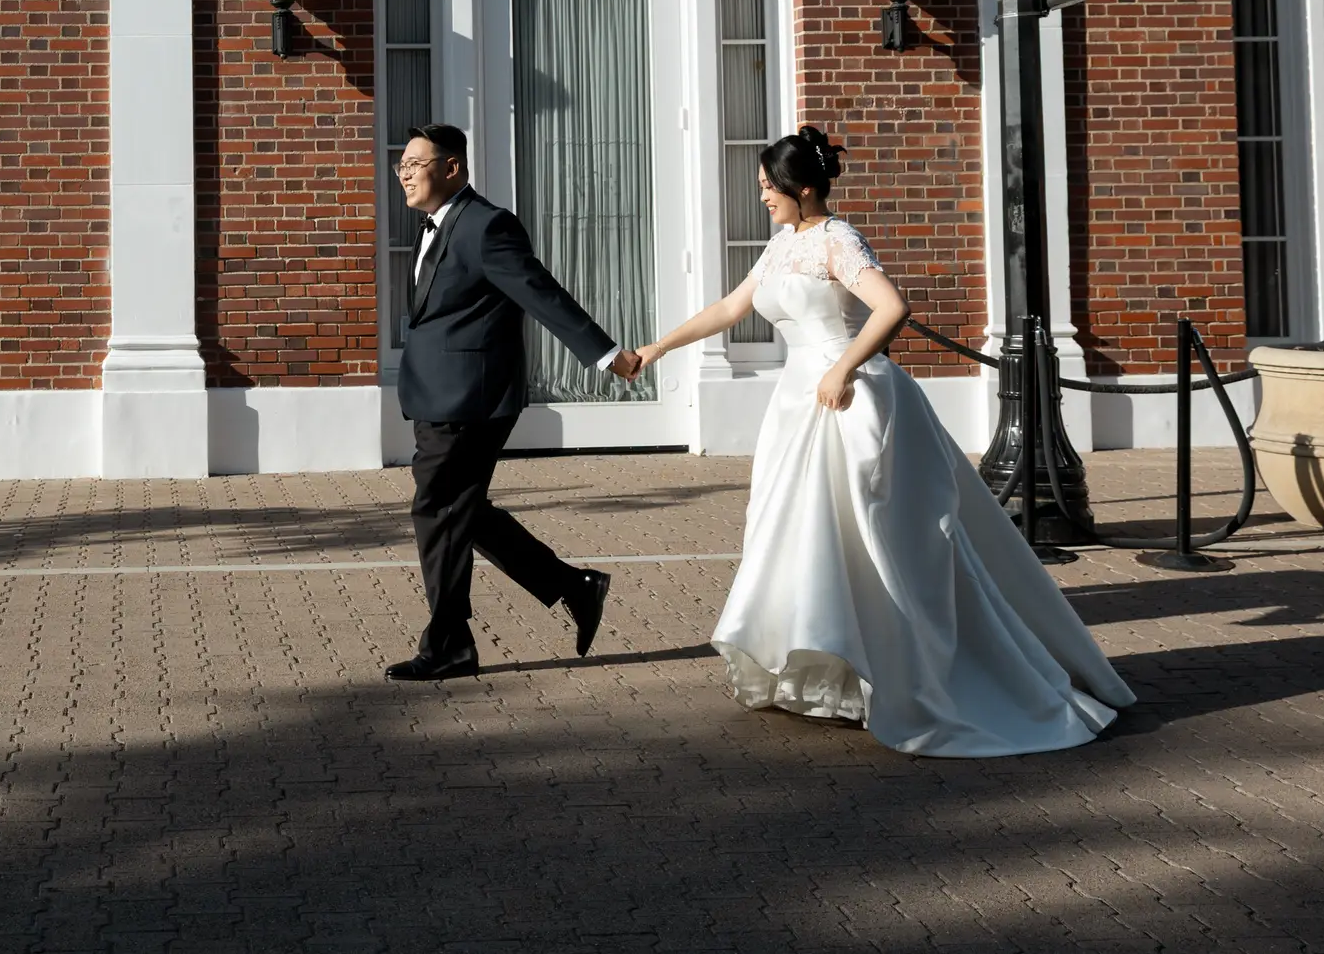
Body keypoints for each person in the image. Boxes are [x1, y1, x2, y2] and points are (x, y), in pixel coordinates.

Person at [629, 126, 1135, 756]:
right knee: (798, 535)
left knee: (875, 542)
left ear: (803, 187)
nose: (763, 196)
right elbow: (731, 309)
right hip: (797, 404)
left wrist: (841, 369)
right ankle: (828, 671)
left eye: (769, 187)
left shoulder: (838, 240)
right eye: (761, 187)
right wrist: (654, 350)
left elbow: (892, 306)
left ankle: (909, 674)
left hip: (851, 400)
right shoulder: (783, 245)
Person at [387, 123, 644, 682]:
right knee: (460, 512)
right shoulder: (431, 227)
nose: (403, 172)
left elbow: (542, 293)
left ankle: (450, 643)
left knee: (439, 511)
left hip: (470, 400)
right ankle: (572, 586)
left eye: (415, 162)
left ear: (452, 167)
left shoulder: (486, 226)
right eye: (400, 164)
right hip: (437, 394)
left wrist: (606, 355)